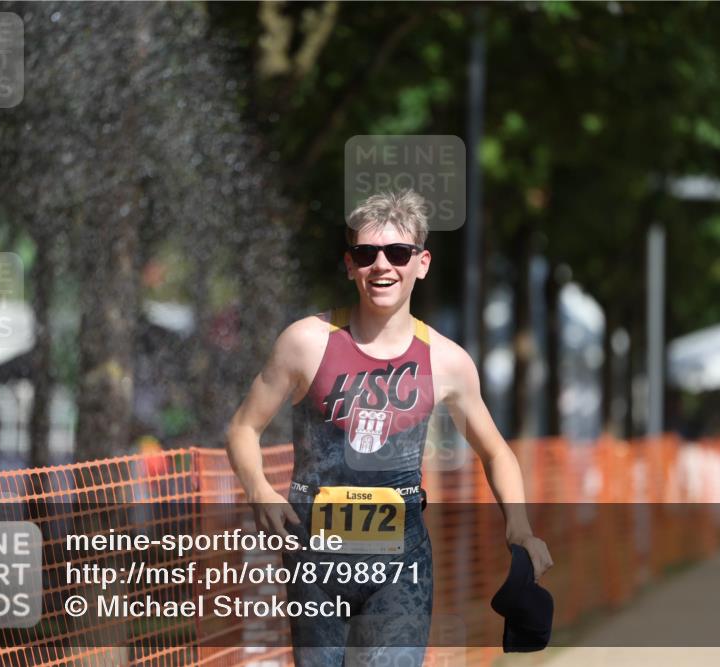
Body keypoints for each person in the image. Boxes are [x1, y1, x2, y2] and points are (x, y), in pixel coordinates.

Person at [225, 190, 553, 666]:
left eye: (398, 253)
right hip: (314, 561)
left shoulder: (445, 361)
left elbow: (496, 452)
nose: (382, 266)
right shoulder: (305, 342)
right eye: (366, 253)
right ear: (349, 264)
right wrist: (258, 489)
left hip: (400, 567)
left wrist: (519, 530)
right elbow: (242, 428)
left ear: (421, 263)